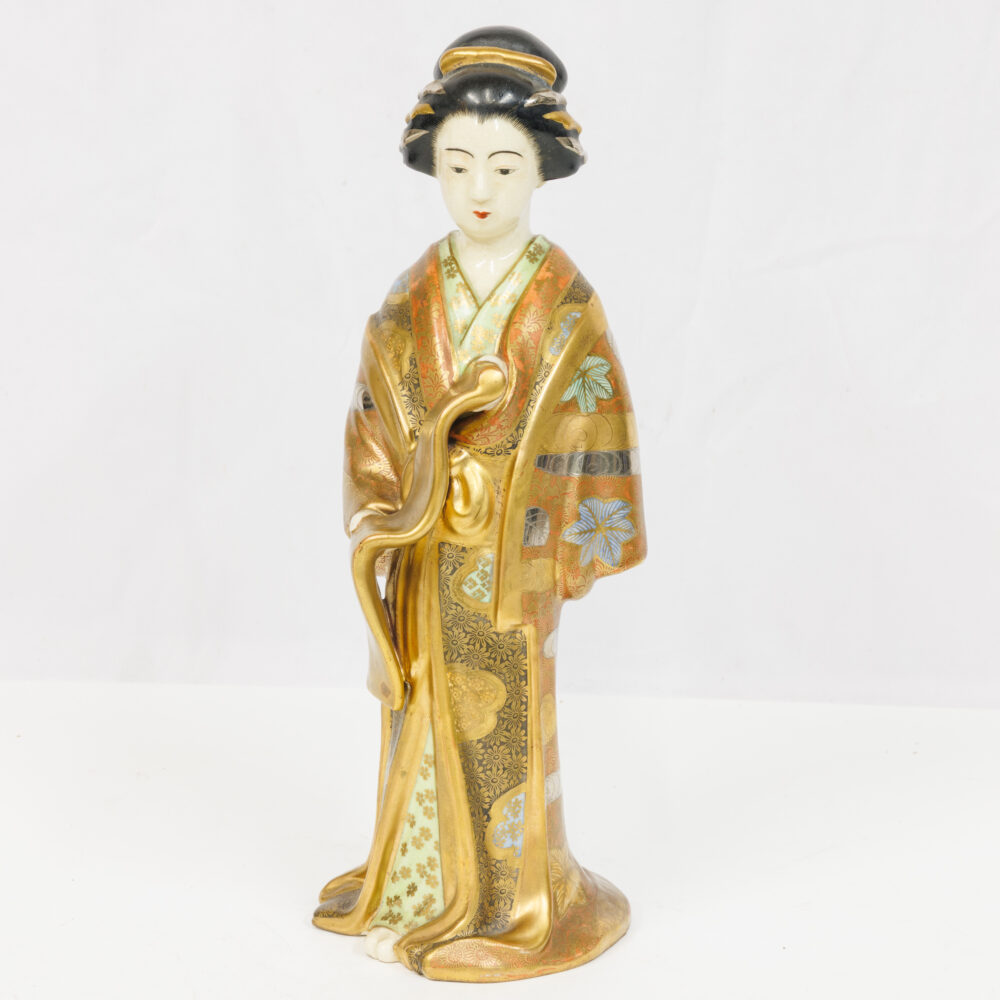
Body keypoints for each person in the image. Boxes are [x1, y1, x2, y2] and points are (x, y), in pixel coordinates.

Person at [313, 27, 646, 982]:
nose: (480, 190)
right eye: (457, 166)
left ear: (542, 168)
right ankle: (418, 890)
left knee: (503, 733)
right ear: (434, 169)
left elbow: (595, 418)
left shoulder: (565, 303)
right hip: (425, 554)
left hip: (511, 561)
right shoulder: (410, 298)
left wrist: (548, 536)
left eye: (504, 166)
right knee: (420, 719)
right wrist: (390, 511)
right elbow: (371, 420)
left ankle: (514, 905)